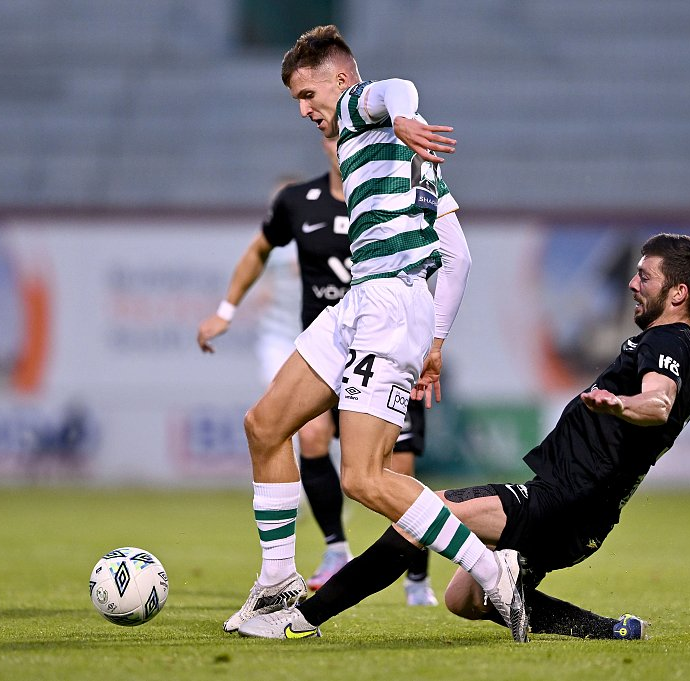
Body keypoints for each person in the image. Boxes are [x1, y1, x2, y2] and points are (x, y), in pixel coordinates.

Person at [236, 232, 690, 640]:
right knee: (465, 600)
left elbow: (658, 403)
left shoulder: (664, 345)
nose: (633, 283)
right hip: (588, 520)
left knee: (422, 517)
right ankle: (608, 631)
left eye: (645, 276)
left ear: (678, 293)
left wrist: (621, 403)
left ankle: (300, 620)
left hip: (562, 499)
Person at [219, 24, 530, 642]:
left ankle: (492, 568)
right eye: (297, 101)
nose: (305, 111)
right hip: (366, 301)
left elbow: (395, 88)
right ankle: (277, 582)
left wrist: (405, 115)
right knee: (265, 425)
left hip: (387, 306)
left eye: (307, 95)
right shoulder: (410, 155)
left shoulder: (360, 111)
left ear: (340, 79)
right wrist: (435, 341)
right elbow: (458, 257)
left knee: (362, 477)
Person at [196, 136, 438, 607]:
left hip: (385, 344)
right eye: (330, 133)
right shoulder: (296, 201)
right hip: (327, 346)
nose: (336, 139)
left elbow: (435, 263)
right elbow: (258, 250)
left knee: (394, 468)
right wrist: (226, 310)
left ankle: (418, 578)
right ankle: (334, 549)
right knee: (305, 434)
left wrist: (433, 339)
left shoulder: (394, 196)